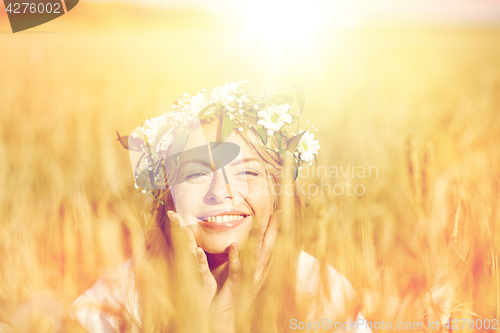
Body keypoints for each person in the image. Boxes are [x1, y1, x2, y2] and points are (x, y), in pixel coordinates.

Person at [69, 81, 372, 333]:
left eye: (248, 172)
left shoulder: (323, 295)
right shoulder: (117, 301)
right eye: (197, 173)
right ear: (168, 196)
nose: (220, 192)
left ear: (278, 191)